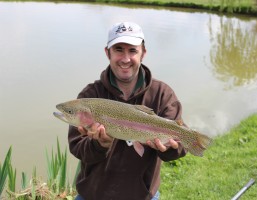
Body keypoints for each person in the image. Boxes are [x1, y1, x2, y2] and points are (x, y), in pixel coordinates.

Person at [68, 21, 187, 200]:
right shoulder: (90, 95)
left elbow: (179, 147)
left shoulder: (162, 94)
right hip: (94, 195)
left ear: (143, 53)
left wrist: (170, 148)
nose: (125, 59)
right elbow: (77, 147)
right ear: (107, 52)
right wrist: (99, 145)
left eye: (132, 51)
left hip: (142, 195)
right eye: (118, 50)